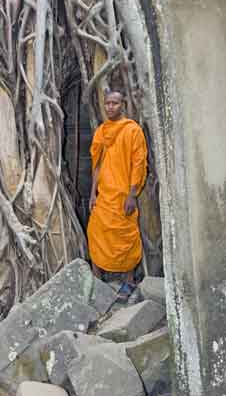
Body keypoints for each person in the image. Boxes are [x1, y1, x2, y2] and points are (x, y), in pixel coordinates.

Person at [87, 89, 148, 301]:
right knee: (95, 232)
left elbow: (139, 164)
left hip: (123, 195)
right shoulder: (102, 132)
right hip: (104, 195)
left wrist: (133, 194)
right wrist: (93, 193)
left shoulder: (132, 131)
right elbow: (97, 165)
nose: (110, 107)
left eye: (115, 103)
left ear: (123, 105)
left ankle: (129, 280)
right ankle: (97, 278)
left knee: (126, 237)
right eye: (107, 103)